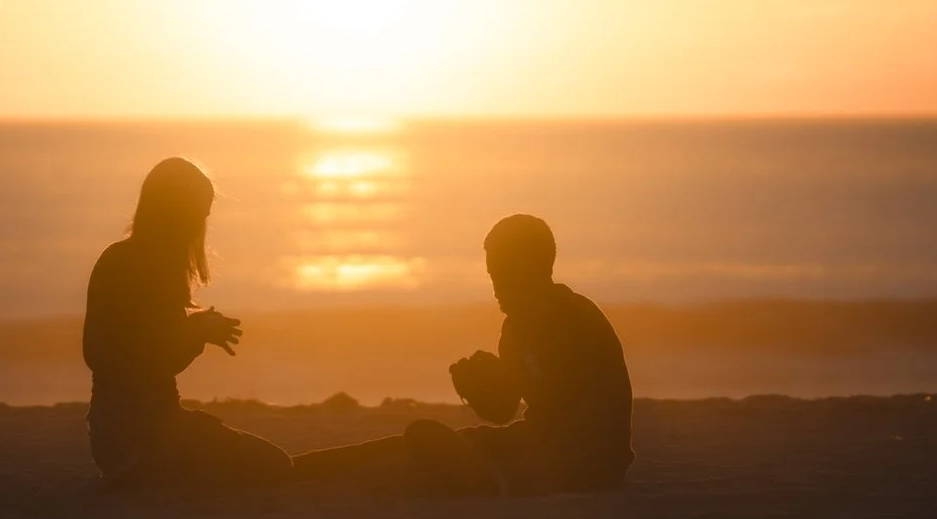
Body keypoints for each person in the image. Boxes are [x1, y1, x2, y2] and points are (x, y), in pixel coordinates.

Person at [293, 213, 633, 494]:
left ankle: (484, 481)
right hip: (537, 442)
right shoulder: (515, 328)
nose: (496, 287)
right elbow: (505, 411)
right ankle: (305, 467)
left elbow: (570, 409)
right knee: (420, 441)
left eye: (504, 275)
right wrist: (478, 390)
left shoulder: (573, 318)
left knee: (435, 446)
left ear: (534, 269)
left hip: (586, 458)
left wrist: (499, 383)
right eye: (493, 276)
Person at [82, 157, 290, 490]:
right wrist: (197, 334)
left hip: (118, 436)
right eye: (198, 213)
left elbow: (140, 344)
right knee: (274, 466)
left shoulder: (126, 260)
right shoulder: (136, 266)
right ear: (174, 211)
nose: (200, 225)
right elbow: (136, 361)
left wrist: (197, 328)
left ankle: (156, 473)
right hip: (145, 435)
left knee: (266, 463)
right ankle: (154, 474)